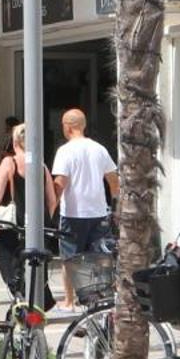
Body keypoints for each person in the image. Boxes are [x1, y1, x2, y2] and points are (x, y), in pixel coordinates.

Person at [51, 107, 118, 306]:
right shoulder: (99, 149)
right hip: (98, 212)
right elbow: (114, 181)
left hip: (72, 213)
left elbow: (59, 184)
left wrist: (51, 209)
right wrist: (114, 207)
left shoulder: (65, 151)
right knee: (99, 257)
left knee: (70, 258)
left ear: (68, 127)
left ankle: (69, 300)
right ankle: (100, 298)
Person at [0, 121, 58, 301]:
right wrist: (44, 219)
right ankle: (37, 304)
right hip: (39, 223)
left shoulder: (9, 162)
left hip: (16, 224)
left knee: (10, 265)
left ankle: (21, 301)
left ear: (15, 141)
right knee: (36, 266)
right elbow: (52, 200)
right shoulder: (41, 165)